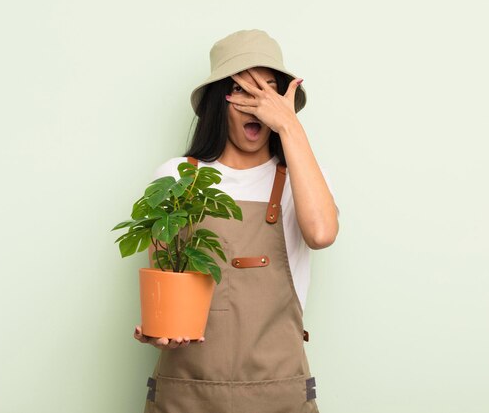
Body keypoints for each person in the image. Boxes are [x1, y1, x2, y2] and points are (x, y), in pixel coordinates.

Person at [133, 29, 339, 413]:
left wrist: (290, 127)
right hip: (187, 395)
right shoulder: (177, 176)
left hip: (278, 395)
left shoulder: (303, 177)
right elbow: (163, 286)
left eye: (270, 90)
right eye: (243, 90)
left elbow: (322, 233)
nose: (257, 104)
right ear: (218, 100)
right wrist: (160, 331)